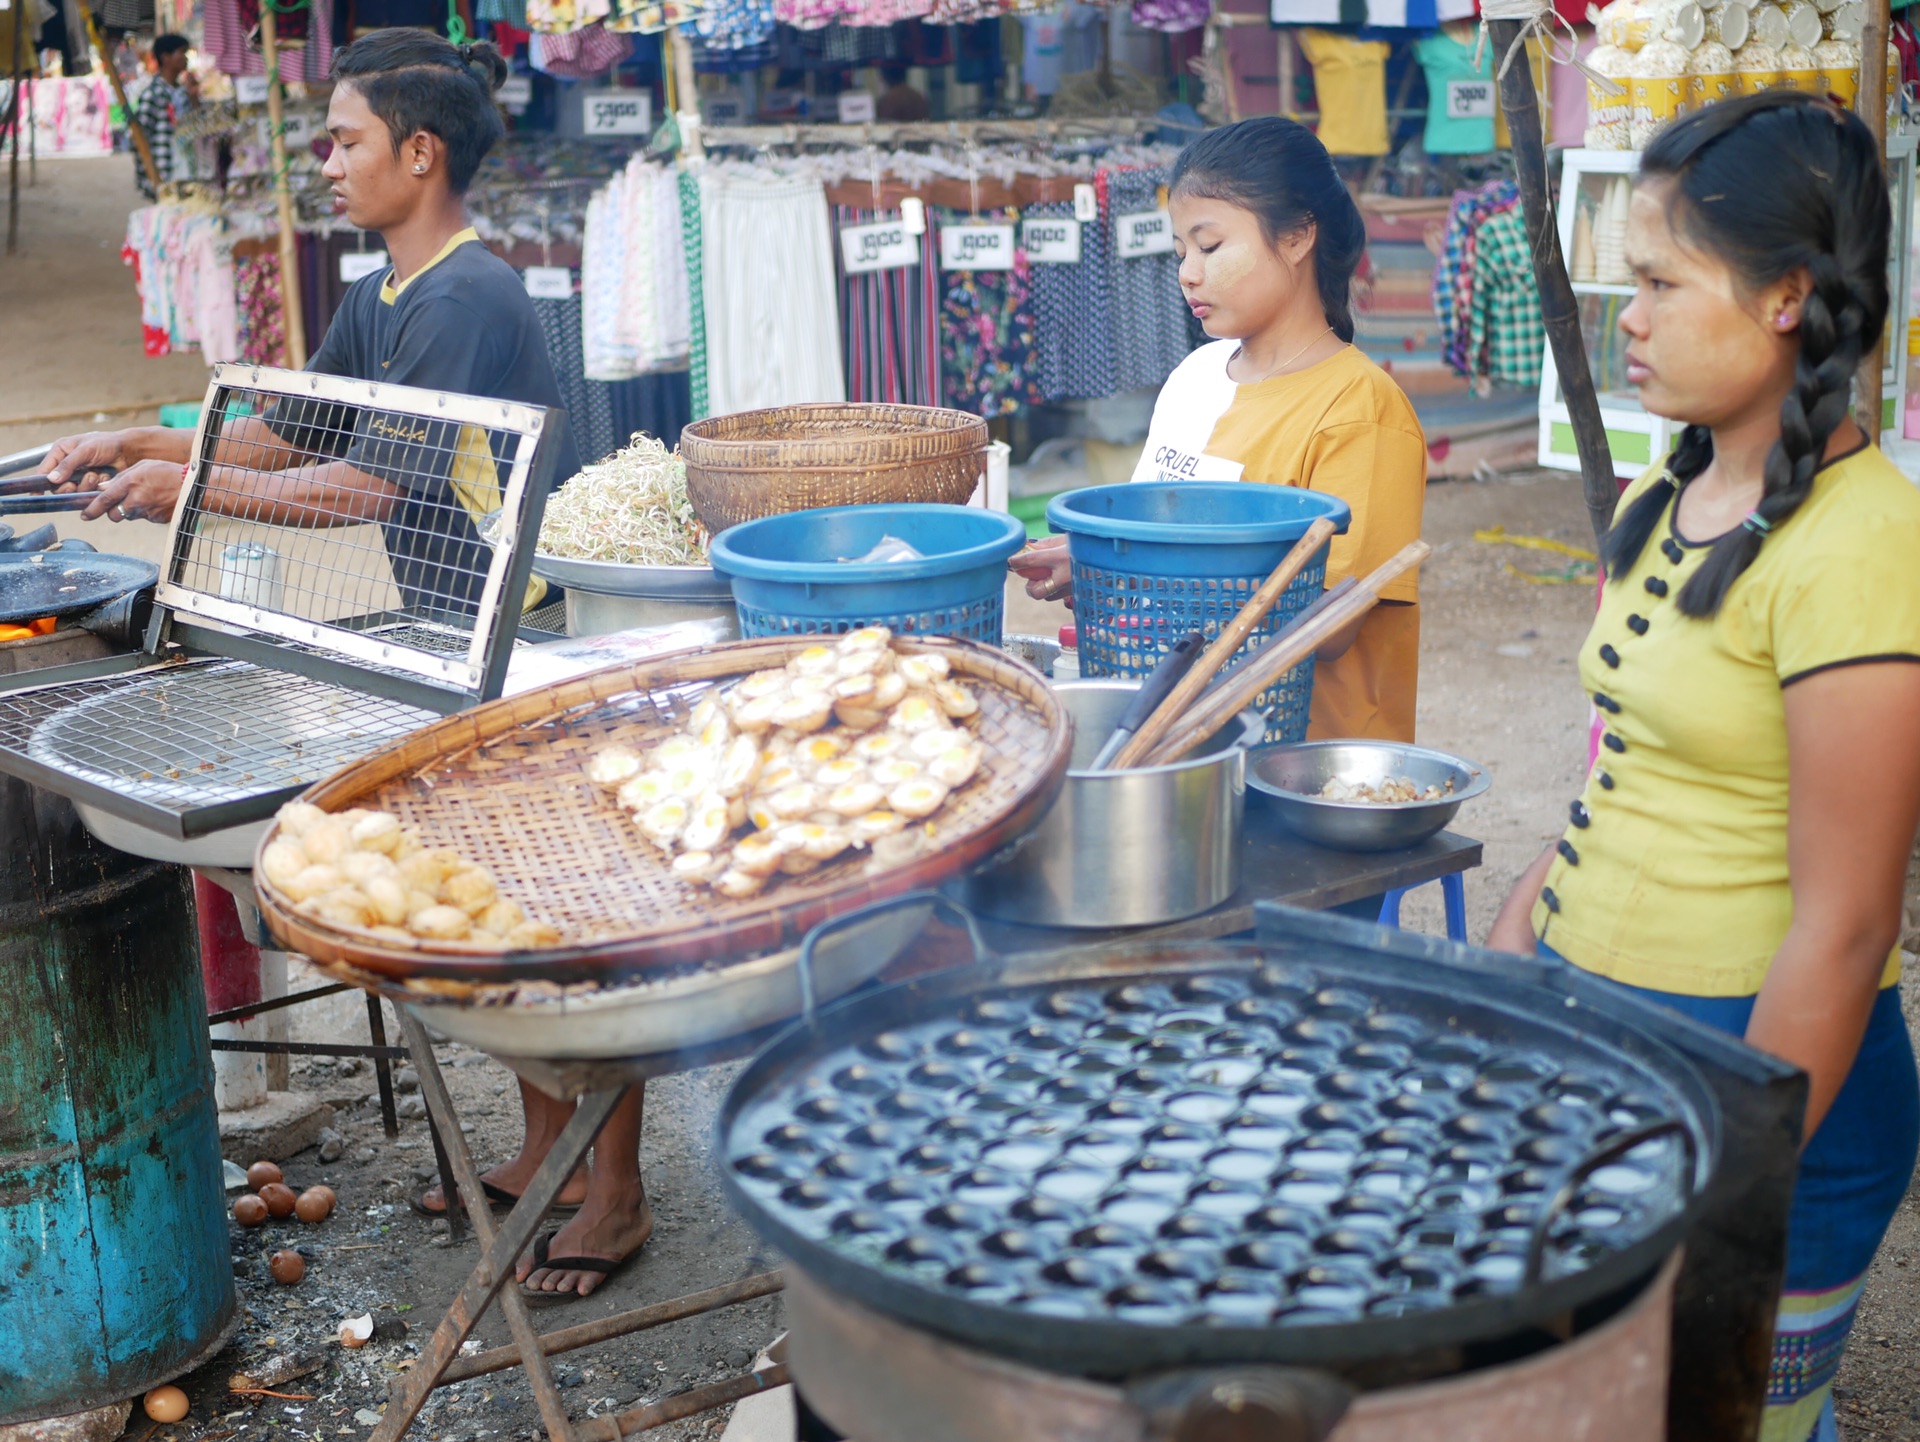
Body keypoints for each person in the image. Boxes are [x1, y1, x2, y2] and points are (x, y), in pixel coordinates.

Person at [47, 30, 644, 1304]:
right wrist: (145, 439)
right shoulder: (383, 293)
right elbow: (292, 428)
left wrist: (188, 491)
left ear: (418, 154)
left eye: (343, 139)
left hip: (527, 639)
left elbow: (377, 482)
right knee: (485, 896)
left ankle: (619, 1189)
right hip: (446, 643)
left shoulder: (466, 297)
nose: (323, 162)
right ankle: (545, 1153)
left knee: (552, 915)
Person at [1486, 93, 1920, 1442]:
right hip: (1611, 1044)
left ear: (1790, 294)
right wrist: (1521, 934)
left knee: (1732, 1424)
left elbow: (1847, 927)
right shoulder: (1657, 502)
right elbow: (1623, 773)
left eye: (1664, 279)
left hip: (1759, 1086)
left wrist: (1731, 1169)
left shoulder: (1864, 547)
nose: (1628, 309)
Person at [1011, 117, 1427, 741]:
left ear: (1296, 237)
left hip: (1297, 763)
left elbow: (1331, 627)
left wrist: (1129, 568)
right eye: (1180, 253)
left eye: (1209, 247)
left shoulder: (1361, 409)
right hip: (1175, 733)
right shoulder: (1196, 375)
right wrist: (1098, 560)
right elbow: (1154, 534)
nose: (1187, 273)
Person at [134, 34, 197, 199]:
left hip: (185, 173)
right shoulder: (153, 94)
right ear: (165, 57)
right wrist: (150, 174)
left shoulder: (181, 92)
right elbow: (138, 137)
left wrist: (194, 98)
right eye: (182, 53)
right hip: (164, 175)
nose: (186, 58)